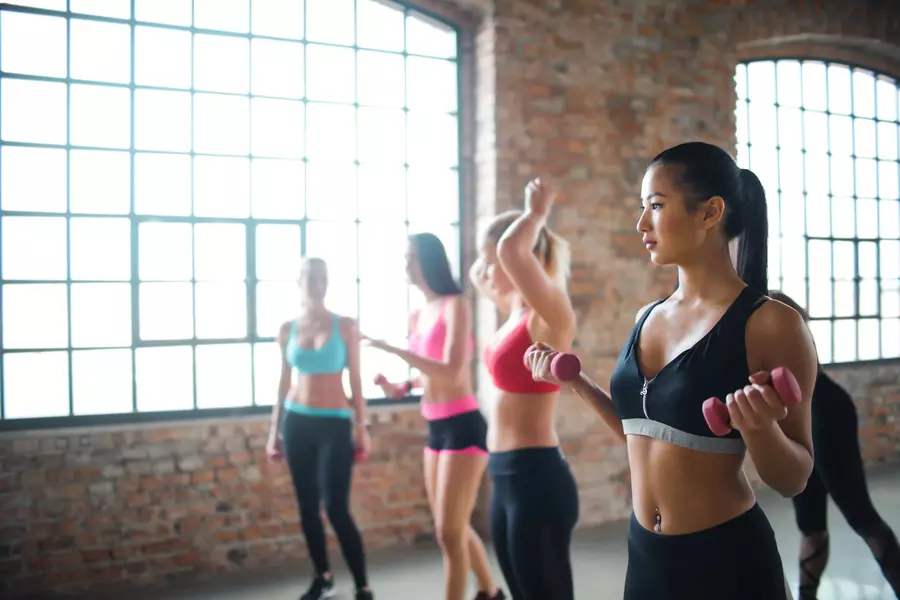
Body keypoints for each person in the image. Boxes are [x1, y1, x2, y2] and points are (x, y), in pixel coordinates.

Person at [527, 142, 819, 599]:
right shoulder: (647, 316)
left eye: (657, 206)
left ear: (710, 213)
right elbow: (641, 433)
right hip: (646, 556)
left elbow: (794, 478)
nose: (642, 224)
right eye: (642, 207)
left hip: (727, 560)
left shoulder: (772, 324)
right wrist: (576, 383)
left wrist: (761, 430)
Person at [366, 233, 504, 600]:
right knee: (453, 527)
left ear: (429, 261)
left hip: (463, 425)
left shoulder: (455, 305)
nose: (406, 265)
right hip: (436, 426)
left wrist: (392, 349)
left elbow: (452, 370)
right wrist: (399, 386)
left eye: (411, 257)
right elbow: (427, 374)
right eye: (404, 257)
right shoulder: (417, 314)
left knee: (448, 533)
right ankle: (490, 592)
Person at [467, 178, 580, 600]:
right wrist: (488, 267)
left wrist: (535, 214)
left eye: (490, 258)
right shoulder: (516, 312)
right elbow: (486, 275)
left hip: (537, 478)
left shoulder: (553, 312)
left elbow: (512, 252)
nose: (486, 268)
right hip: (505, 475)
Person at [768, 291, 900, 599]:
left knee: (861, 516)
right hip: (799, 417)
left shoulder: (777, 314)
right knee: (811, 528)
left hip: (826, 414)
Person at [265, 257, 374, 600]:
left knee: (337, 508)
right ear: (299, 281)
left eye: (323, 277)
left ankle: (362, 583)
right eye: (311, 276)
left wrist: (363, 427)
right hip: (298, 422)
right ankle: (322, 576)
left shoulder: (346, 326)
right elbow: (283, 383)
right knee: (307, 506)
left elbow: (356, 380)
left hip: (335, 424)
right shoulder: (287, 329)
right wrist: (274, 430)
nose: (318, 282)